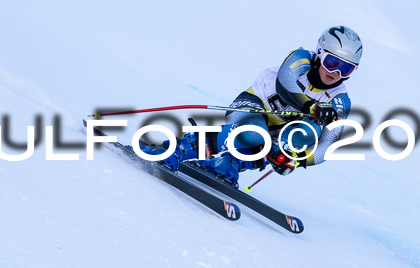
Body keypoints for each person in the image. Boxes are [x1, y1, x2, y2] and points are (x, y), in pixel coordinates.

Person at [144, 26, 363, 187]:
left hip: (280, 128)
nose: (336, 73)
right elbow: (285, 84)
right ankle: (177, 148)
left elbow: (326, 147)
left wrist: (296, 160)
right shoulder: (302, 58)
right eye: (332, 63)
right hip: (255, 105)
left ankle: (228, 163)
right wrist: (312, 107)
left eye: (347, 69)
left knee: (307, 136)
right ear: (320, 53)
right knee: (253, 133)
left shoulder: (340, 100)